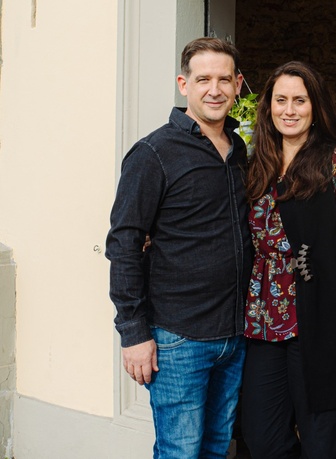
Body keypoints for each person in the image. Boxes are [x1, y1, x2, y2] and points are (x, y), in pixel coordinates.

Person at [106, 37, 252, 459]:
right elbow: (124, 244)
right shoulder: (153, 152)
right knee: (180, 452)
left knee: (216, 448)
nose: (215, 89)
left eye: (224, 79)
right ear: (183, 84)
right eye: (203, 79)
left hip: (234, 334)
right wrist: (133, 333)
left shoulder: (238, 149)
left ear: (238, 84)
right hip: (178, 337)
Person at [241, 61, 336, 458]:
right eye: (281, 100)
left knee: (320, 441)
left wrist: (326, 258)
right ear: (268, 107)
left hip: (320, 318)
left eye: (300, 100)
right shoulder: (258, 163)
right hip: (264, 319)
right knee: (260, 436)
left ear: (315, 107)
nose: (289, 110)